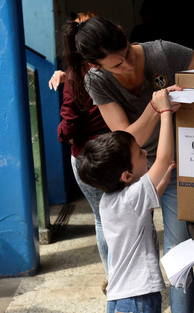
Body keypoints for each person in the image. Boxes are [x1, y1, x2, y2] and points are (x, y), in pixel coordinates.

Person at [61, 15, 194, 313]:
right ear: (96, 66)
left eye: (127, 53)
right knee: (136, 246)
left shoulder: (162, 53)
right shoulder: (97, 81)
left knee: (179, 251)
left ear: (123, 33)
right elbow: (126, 140)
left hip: (176, 166)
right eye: (116, 65)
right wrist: (158, 109)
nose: (127, 66)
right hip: (140, 166)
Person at [78, 88, 176, 313]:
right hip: (138, 297)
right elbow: (163, 157)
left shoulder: (109, 200)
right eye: (140, 153)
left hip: (119, 296)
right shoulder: (132, 196)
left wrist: (162, 182)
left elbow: (144, 209)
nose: (144, 153)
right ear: (126, 176)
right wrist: (165, 111)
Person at [50, 12, 111, 292]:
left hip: (87, 156)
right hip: (117, 148)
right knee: (129, 215)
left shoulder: (75, 78)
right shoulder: (114, 67)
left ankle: (113, 277)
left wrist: (60, 132)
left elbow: (70, 126)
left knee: (101, 218)